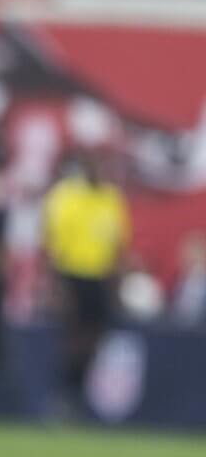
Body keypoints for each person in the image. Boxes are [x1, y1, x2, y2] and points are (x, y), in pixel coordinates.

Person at [42, 156, 129, 418]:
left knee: (94, 338)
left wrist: (116, 283)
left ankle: (75, 391)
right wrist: (57, 284)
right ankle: (65, 393)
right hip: (72, 274)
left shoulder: (112, 199)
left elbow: (119, 244)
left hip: (99, 278)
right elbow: (52, 241)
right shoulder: (66, 196)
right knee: (73, 337)